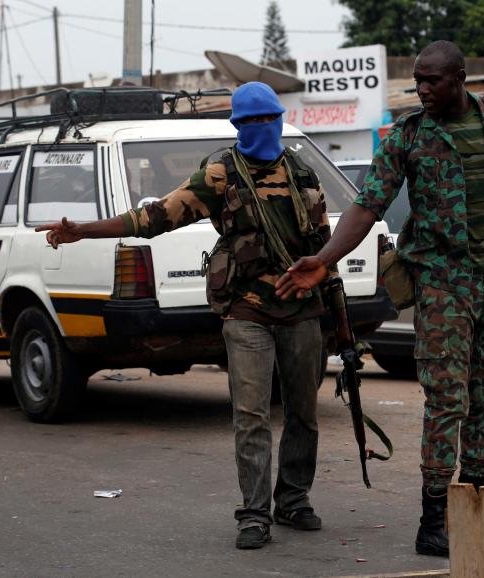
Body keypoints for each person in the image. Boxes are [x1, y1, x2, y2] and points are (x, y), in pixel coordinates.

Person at [36, 82, 329, 551]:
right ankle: (254, 514)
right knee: (251, 415)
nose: (261, 128)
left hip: (301, 310)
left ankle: (293, 499)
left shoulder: (302, 173)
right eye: (251, 121)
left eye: (268, 119)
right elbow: (154, 218)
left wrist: (331, 309)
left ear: (279, 118)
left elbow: (322, 246)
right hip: (245, 310)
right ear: (237, 125)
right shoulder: (218, 175)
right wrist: (84, 231)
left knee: (304, 411)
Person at [275, 40, 484, 556]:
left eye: (432, 80)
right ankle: (434, 520)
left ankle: (477, 508)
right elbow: (368, 205)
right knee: (446, 402)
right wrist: (324, 259)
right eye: (417, 79)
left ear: (459, 78)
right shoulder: (408, 137)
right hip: (443, 284)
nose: (422, 89)